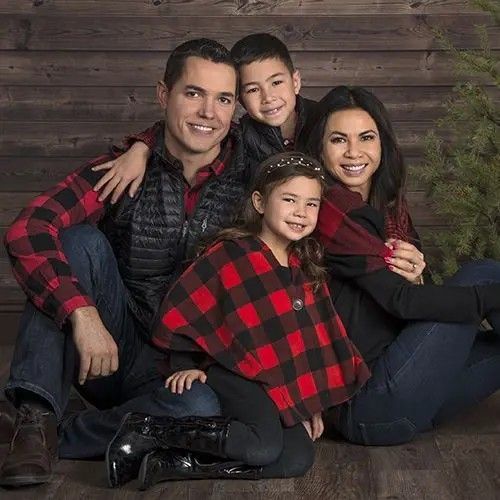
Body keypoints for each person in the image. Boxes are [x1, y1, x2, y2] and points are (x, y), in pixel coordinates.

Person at [0, 38, 248, 487]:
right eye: (193, 93)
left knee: (202, 409)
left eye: (223, 99)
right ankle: (35, 417)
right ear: (163, 95)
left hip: (190, 372)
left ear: (235, 108)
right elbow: (28, 229)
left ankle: (58, 432)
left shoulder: (254, 181)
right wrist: (83, 313)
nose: (208, 112)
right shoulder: (124, 169)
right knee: (78, 241)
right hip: (112, 351)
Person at [105, 152, 371, 489]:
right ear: (260, 202)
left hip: (272, 381)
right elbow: (186, 308)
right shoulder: (231, 254)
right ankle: (147, 430)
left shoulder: (303, 266)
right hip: (233, 371)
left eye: (311, 204)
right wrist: (185, 362)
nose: (301, 213)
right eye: (289, 200)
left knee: (297, 458)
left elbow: (306, 341)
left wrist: (308, 402)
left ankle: (174, 464)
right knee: (263, 446)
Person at [304, 85, 500, 445]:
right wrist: (487, 298)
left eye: (366, 137)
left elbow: (404, 305)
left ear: (382, 145)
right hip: (366, 402)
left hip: (409, 394)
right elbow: (401, 302)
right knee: (484, 275)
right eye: (338, 140)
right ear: (319, 148)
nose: (353, 152)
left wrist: (417, 278)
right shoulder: (329, 208)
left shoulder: (389, 210)